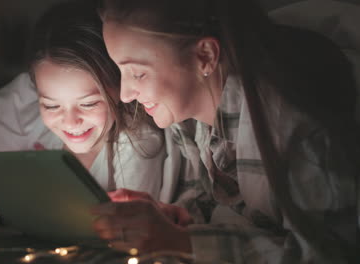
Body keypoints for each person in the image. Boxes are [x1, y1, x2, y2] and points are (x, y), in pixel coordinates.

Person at [0, 0, 202, 227]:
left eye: (89, 103)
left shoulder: (141, 141)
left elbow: (130, 232)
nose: (70, 121)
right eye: (51, 105)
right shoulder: (23, 102)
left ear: (117, 89)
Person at [92, 0, 359, 262]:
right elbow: (212, 207)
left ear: (205, 56)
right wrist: (170, 221)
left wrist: (181, 241)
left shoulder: (293, 129)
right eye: (120, 71)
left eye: (137, 73)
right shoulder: (187, 120)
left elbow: (329, 254)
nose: (125, 94)